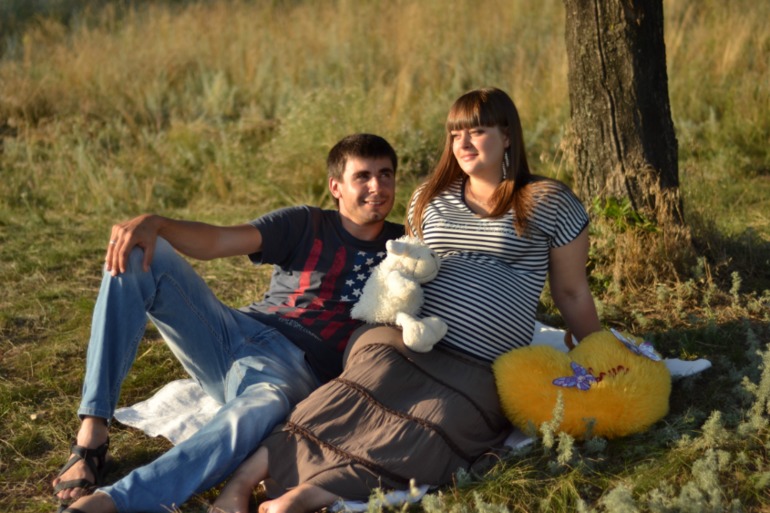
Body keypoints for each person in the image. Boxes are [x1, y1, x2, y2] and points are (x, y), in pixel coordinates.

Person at [209, 87, 602, 513]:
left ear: (508, 135)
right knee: (343, 402)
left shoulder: (548, 201)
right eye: (455, 134)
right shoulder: (431, 197)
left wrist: (598, 349)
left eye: (477, 131)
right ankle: (240, 486)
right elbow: (406, 267)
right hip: (407, 342)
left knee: (436, 427)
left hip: (481, 364)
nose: (464, 144)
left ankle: (306, 495)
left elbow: (571, 291)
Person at [52, 133, 404, 513]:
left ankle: (114, 501)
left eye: (385, 175)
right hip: (232, 332)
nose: (377, 187)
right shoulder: (307, 223)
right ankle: (92, 431)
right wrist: (156, 224)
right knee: (136, 252)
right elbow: (218, 242)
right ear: (336, 186)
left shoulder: (406, 247)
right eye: (363, 176)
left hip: (293, 372)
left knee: (260, 409)